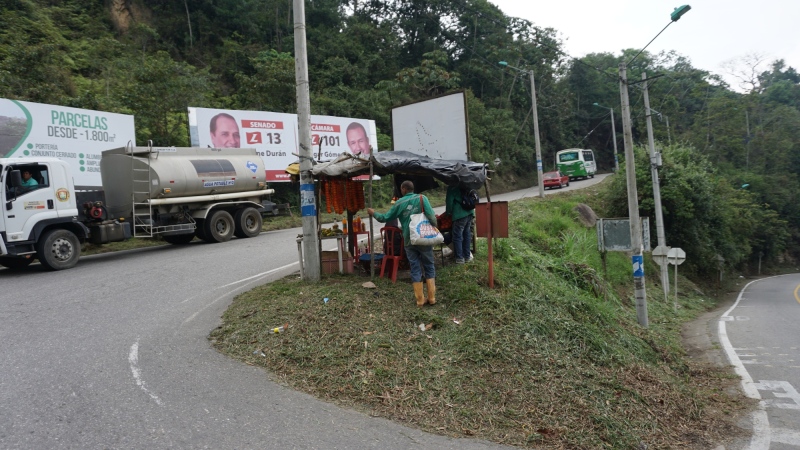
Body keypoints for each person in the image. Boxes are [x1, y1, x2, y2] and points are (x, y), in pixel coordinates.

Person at [368, 180, 438, 307]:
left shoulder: (399, 203)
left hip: (409, 239)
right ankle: (432, 298)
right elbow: (432, 217)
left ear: (404, 189)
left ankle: (420, 300)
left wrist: (373, 213)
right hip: (423, 237)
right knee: (429, 265)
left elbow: (384, 218)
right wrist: (434, 228)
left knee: (415, 266)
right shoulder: (422, 198)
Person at [445, 184, 474, 264]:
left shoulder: (452, 187)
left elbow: (449, 201)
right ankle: (467, 257)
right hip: (470, 213)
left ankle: (460, 258)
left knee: (457, 236)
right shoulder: (466, 183)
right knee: (466, 234)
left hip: (459, 214)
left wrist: (448, 213)